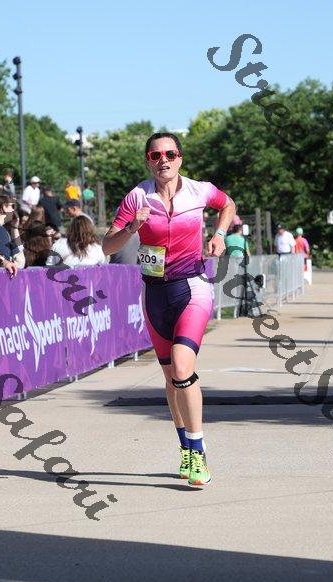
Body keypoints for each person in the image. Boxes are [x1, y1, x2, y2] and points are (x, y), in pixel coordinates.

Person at [102, 132, 236, 486]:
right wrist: (132, 228)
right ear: (148, 160)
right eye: (155, 155)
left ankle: (199, 451)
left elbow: (228, 204)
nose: (163, 160)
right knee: (170, 379)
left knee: (182, 367)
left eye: (170, 154)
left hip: (192, 288)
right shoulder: (137, 196)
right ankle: (186, 447)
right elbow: (107, 246)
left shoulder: (199, 191)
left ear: (180, 158)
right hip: (155, 294)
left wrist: (220, 234)